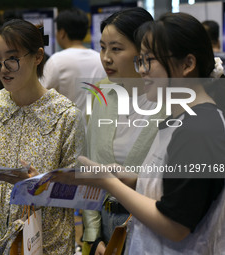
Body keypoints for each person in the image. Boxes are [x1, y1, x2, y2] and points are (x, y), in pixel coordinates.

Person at [53, 12, 225, 254]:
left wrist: (109, 183)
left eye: (149, 60)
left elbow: (176, 224)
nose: (142, 70)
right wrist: (132, 179)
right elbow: (175, 186)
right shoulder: (186, 119)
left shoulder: (199, 129)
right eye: (140, 60)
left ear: (187, 64)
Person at [0, 19, 84, 254]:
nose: (4, 68)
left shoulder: (65, 115)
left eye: (12, 59)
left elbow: (80, 190)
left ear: (37, 56)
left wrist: (41, 185)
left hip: (44, 241)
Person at [81, 8, 165, 255]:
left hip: (153, 225)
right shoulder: (101, 92)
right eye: (103, 47)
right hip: (106, 226)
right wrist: (94, 236)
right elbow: (91, 166)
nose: (106, 58)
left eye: (116, 49)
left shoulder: (172, 101)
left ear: (144, 51)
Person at [41, 8, 105, 124]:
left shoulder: (57, 61)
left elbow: (40, 95)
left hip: (68, 132)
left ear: (62, 33)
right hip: (96, 131)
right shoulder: (100, 59)